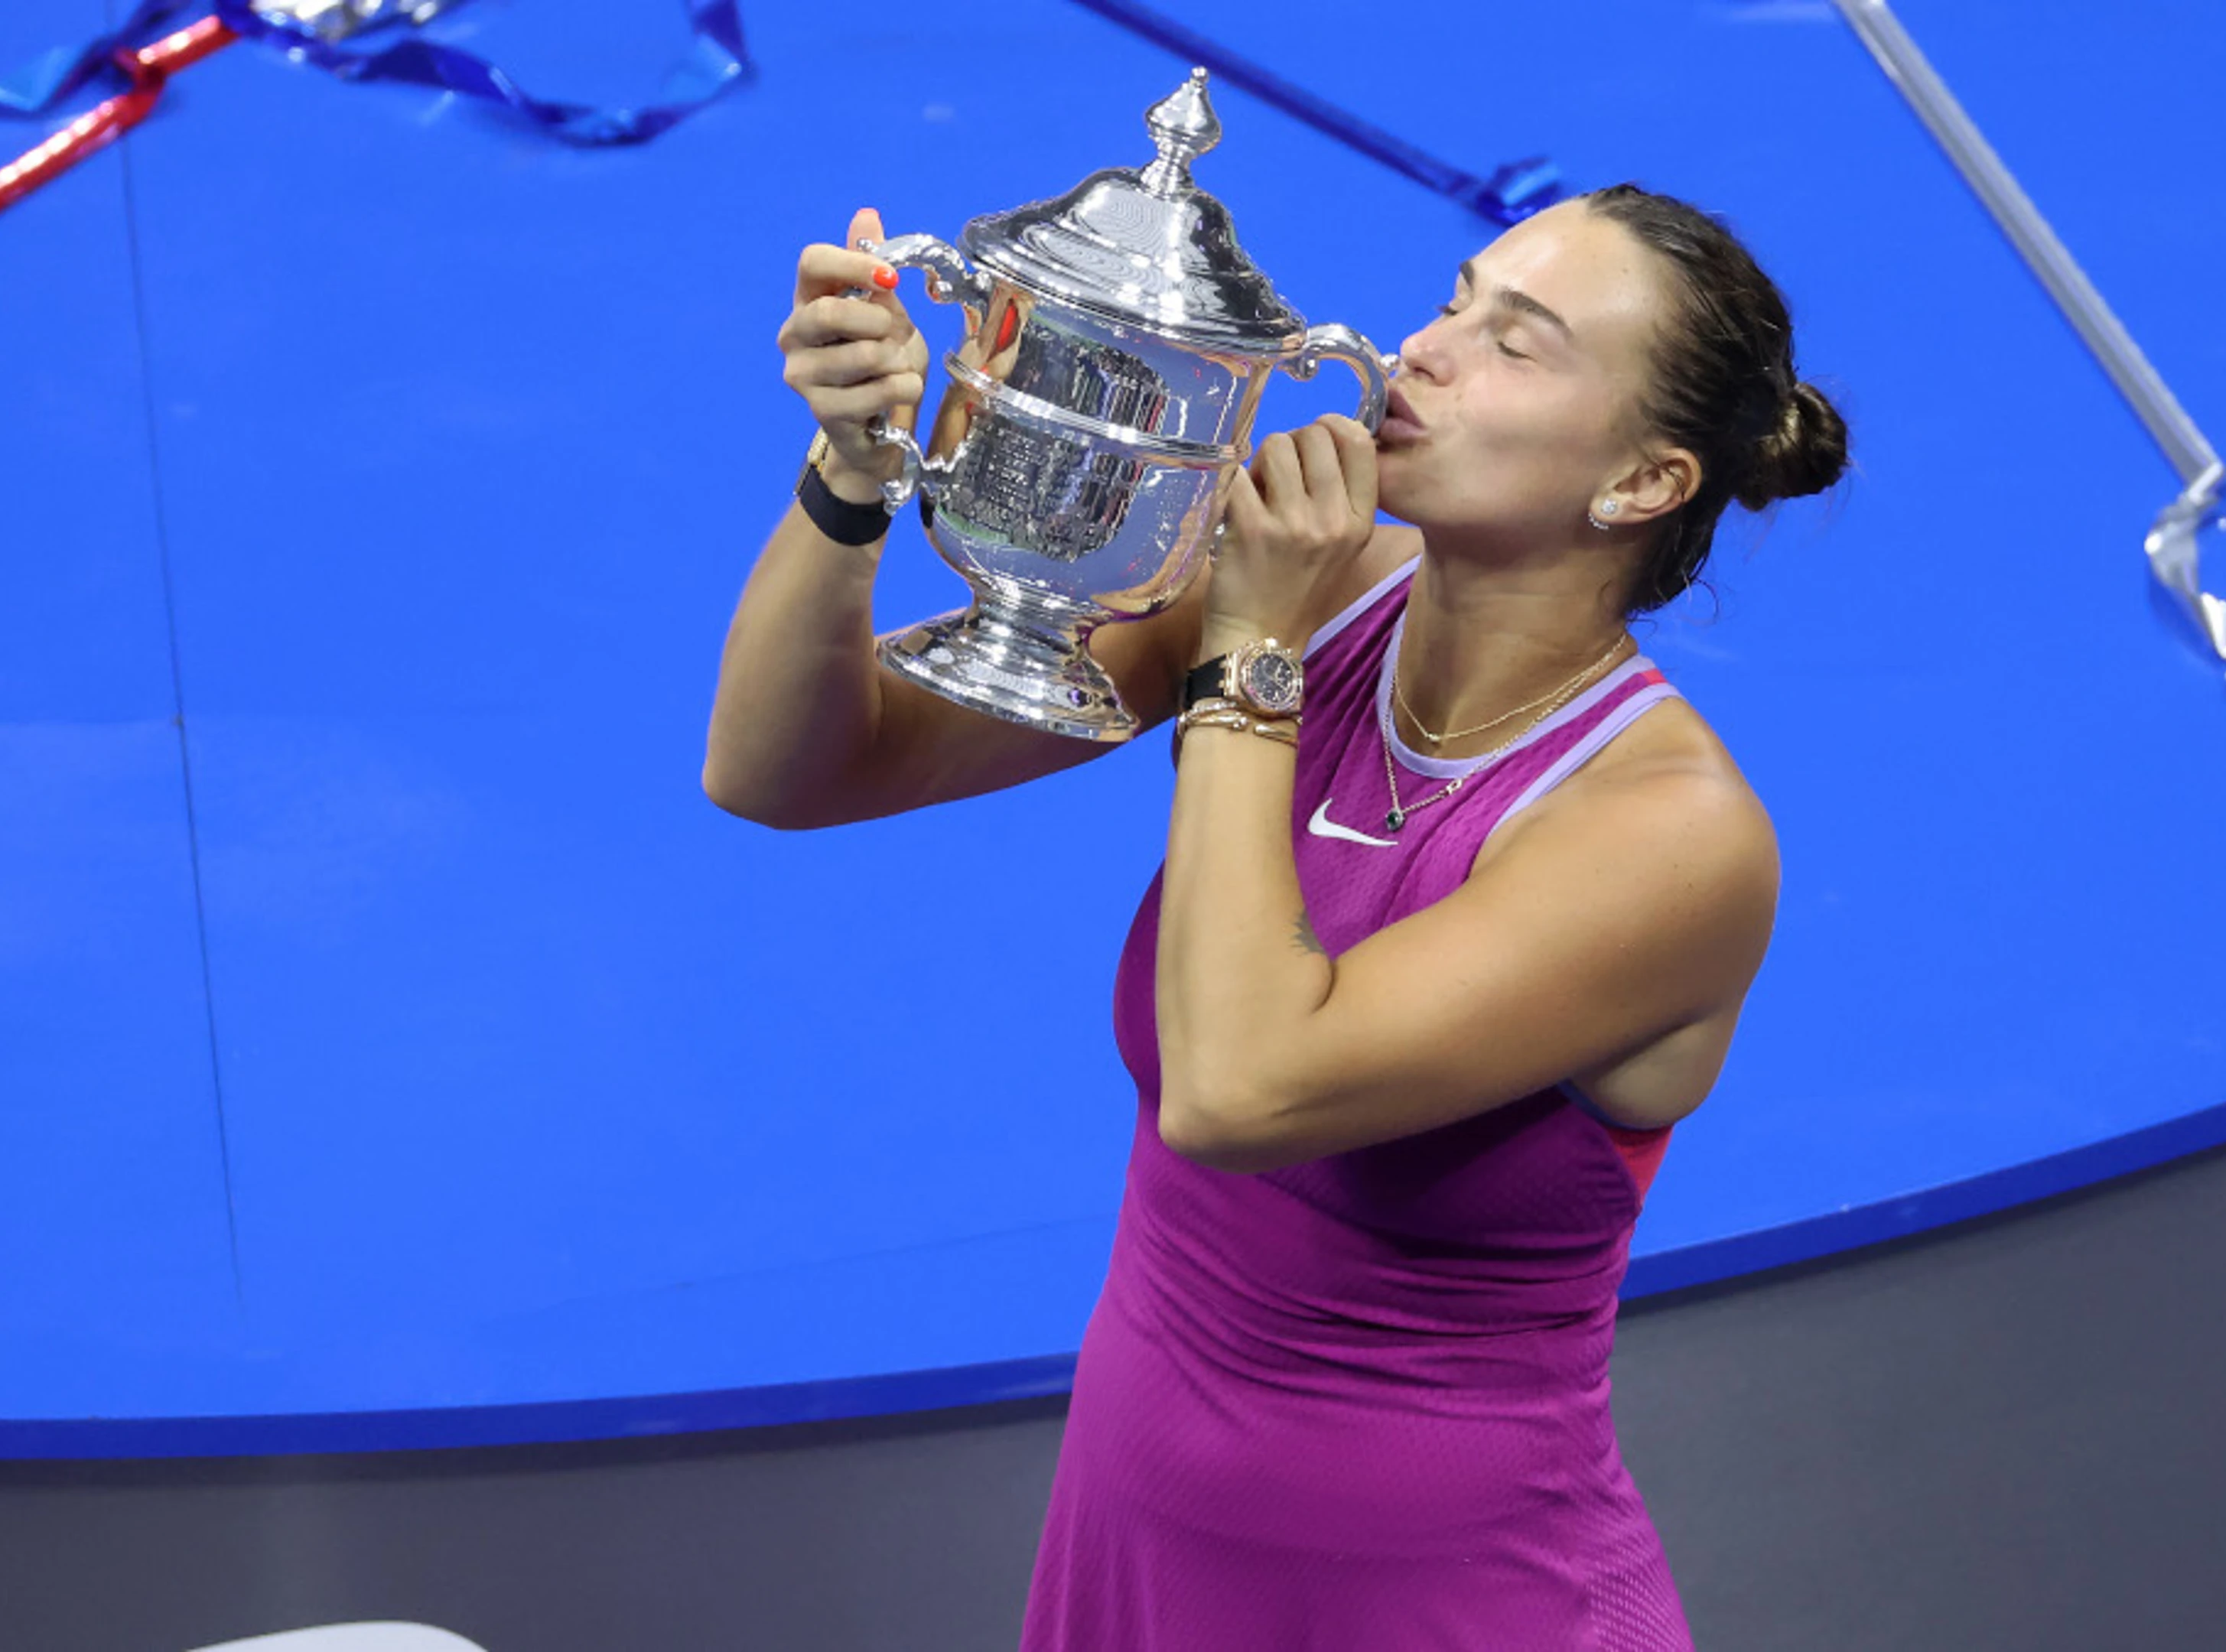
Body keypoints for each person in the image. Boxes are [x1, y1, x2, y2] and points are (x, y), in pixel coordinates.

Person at [706, 185, 1848, 1650]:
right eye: (1454, 298)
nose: (1423, 350)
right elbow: (788, 769)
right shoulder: (1323, 598)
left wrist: (1246, 654)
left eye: (1518, 343)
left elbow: (1240, 1087)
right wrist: (852, 482)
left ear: (1640, 483)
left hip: (1449, 1610)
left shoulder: (1670, 836)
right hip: (1134, 1563)